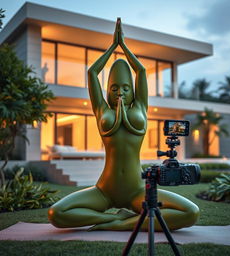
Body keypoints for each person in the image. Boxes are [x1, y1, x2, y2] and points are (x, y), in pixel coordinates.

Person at [48, 18, 199, 231]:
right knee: (56, 214)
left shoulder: (140, 107)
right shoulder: (102, 109)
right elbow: (92, 72)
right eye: (115, 88)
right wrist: (112, 47)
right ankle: (114, 221)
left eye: (126, 88)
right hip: (104, 190)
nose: (121, 92)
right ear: (108, 90)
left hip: (137, 189)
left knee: (191, 212)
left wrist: (124, 46)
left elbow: (142, 72)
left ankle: (122, 224)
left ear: (133, 90)